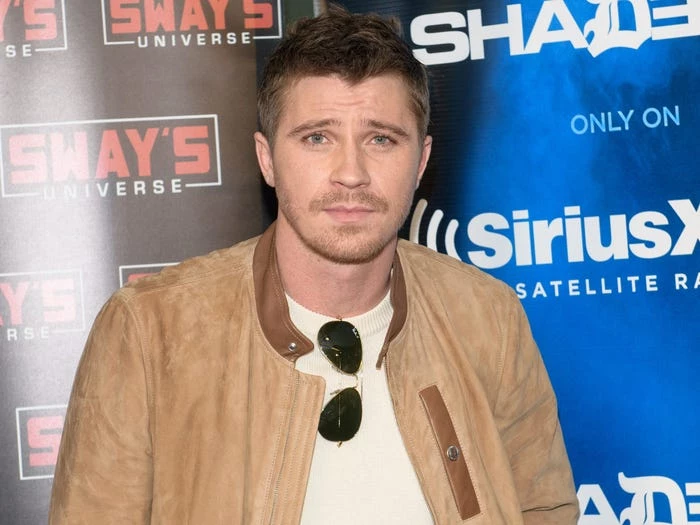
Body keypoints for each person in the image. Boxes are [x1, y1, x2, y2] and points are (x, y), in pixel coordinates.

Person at [50, 5, 579, 524]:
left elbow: (545, 511)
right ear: (267, 159)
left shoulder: (489, 318)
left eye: (381, 138)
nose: (351, 172)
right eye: (317, 137)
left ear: (420, 161)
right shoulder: (149, 332)